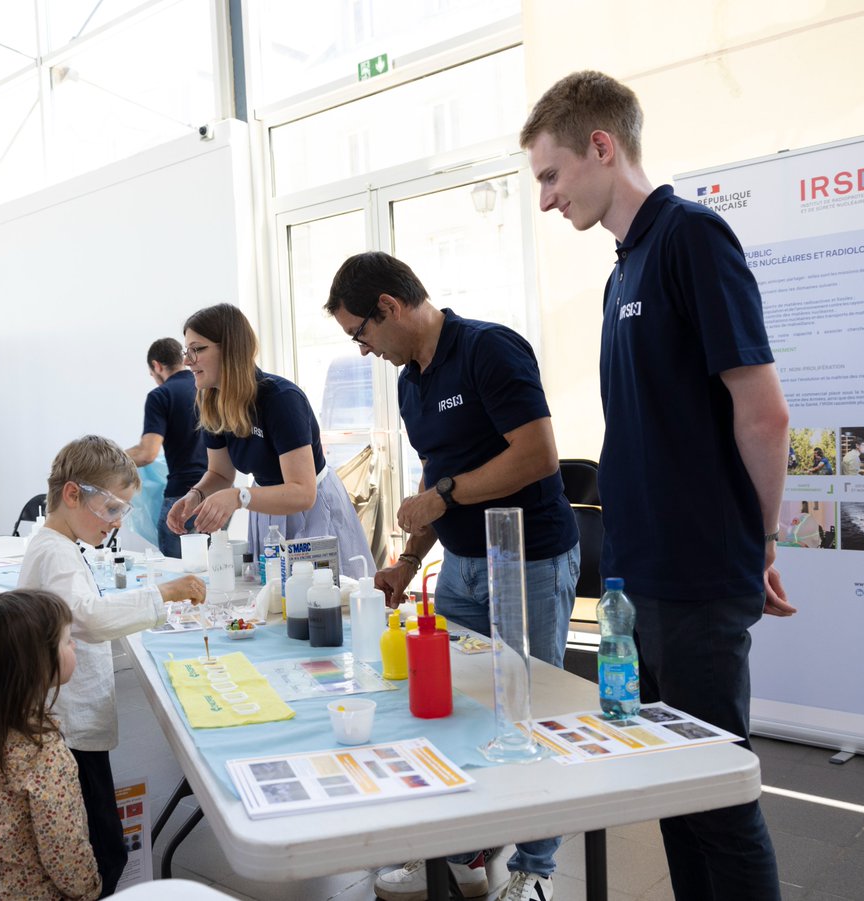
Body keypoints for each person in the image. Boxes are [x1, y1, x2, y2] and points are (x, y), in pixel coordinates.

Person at [521, 70, 795, 901]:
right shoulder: (621, 270)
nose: (545, 199)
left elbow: (764, 414)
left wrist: (763, 540)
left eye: (550, 175)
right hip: (637, 585)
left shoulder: (691, 239)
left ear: (602, 147)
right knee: (666, 780)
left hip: (696, 571)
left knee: (717, 792)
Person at [326, 252, 581, 901]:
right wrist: (408, 559)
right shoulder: (411, 381)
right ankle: (464, 848)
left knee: (528, 712)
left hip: (529, 559)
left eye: (360, 333)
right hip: (462, 565)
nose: (362, 349)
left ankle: (535, 867)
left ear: (388, 306)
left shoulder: (488, 350)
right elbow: (434, 475)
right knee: (458, 709)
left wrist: (442, 494)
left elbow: (537, 456)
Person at [19, 435, 206, 896]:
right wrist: (161, 595)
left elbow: (82, 610)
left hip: (71, 724)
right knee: (102, 850)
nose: (117, 522)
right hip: (68, 730)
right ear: (72, 494)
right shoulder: (56, 553)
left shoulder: (59, 548)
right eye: (111, 509)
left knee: (96, 844)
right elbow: (86, 617)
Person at [166, 303, 373, 579]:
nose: (188, 361)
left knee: (325, 599)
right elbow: (219, 473)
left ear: (230, 349)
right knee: (275, 596)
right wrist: (196, 495)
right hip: (264, 505)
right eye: (186, 352)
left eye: (197, 349)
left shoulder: (281, 399)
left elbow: (302, 492)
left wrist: (239, 497)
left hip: (311, 511)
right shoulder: (212, 400)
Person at [0, 589, 101, 901]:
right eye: (66, 640)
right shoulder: (46, 757)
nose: (74, 645)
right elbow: (65, 850)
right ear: (37, 663)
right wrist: (91, 889)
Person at [125, 337, 208, 558]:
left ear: (157, 366)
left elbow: (147, 453)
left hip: (182, 496)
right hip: (216, 497)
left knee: (175, 574)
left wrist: (108, 458)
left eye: (152, 375)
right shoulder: (204, 388)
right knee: (210, 570)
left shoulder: (161, 395)